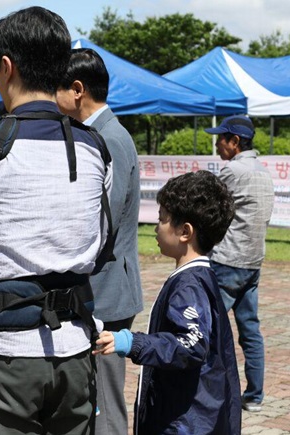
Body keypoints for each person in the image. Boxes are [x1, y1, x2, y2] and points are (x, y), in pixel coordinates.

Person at [0, 7, 110, 433]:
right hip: (76, 349)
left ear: (6, 67)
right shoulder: (93, 148)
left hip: (5, 353)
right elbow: (101, 241)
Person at [95, 170, 241, 434]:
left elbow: (190, 345)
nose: (156, 227)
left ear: (185, 232)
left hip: (185, 424)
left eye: (162, 219)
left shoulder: (189, 284)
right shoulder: (200, 277)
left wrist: (130, 342)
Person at [56, 48, 143, 435]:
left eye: (53, 89)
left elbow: (102, 222)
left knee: (105, 402)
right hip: (104, 286)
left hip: (106, 289)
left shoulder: (110, 138)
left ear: (77, 90)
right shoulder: (102, 133)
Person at [205, 115, 275, 412]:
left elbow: (206, 203)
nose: (217, 143)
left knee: (210, 329)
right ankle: (255, 396)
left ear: (234, 142)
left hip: (227, 260)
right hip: (253, 262)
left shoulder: (233, 170)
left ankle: (209, 393)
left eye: (221, 138)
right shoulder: (263, 171)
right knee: (250, 330)